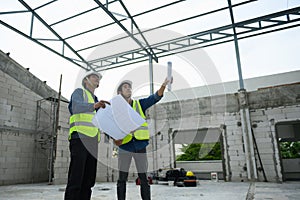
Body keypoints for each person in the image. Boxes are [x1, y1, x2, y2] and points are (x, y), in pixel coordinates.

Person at [114, 78, 172, 200]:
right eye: (125, 87)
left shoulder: (139, 104)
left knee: (143, 178)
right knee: (122, 179)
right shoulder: (116, 110)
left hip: (140, 146)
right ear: (120, 92)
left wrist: (163, 84)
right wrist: (115, 139)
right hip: (125, 146)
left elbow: (155, 97)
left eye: (129, 87)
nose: (128, 88)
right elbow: (111, 127)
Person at [65, 71, 110, 200]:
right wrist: (95, 106)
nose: (97, 79)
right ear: (86, 80)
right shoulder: (79, 93)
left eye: (98, 78)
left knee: (88, 181)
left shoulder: (96, 100)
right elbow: (76, 106)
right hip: (79, 138)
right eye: (94, 76)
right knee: (76, 179)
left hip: (92, 141)